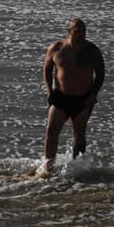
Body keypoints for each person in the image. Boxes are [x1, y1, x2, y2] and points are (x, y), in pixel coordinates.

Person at [41, 18, 105, 172]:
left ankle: (77, 166)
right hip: (61, 97)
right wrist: (49, 91)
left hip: (83, 98)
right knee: (51, 130)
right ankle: (48, 165)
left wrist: (93, 94)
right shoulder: (57, 48)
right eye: (78, 31)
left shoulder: (92, 50)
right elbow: (47, 69)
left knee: (79, 133)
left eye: (84, 31)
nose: (82, 34)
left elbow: (101, 74)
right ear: (69, 31)